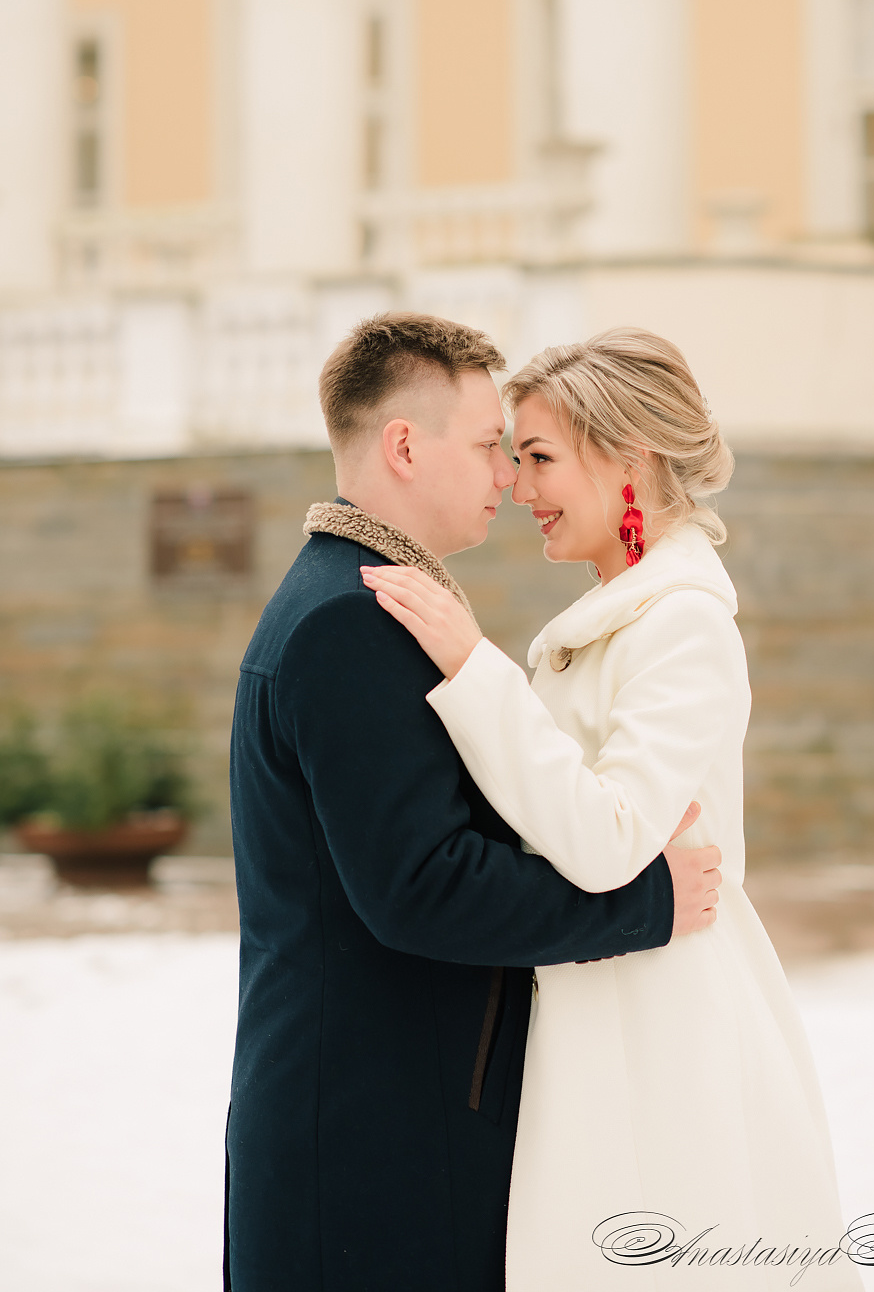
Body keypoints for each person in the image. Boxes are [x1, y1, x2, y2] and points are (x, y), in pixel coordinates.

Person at [224, 313, 723, 1292]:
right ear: (405, 447)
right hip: (372, 1146)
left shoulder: (362, 598)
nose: (508, 475)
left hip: (392, 1126)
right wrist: (650, 902)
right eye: (494, 444)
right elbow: (423, 888)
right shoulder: (349, 621)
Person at [363, 328, 863, 1292]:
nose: (517, 486)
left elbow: (605, 842)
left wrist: (473, 668)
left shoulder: (683, 624)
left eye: (539, 457)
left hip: (662, 1019)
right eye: (515, 455)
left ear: (627, 459)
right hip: (602, 991)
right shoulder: (618, 615)